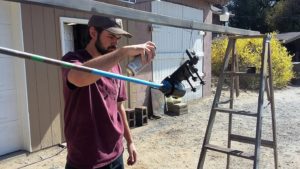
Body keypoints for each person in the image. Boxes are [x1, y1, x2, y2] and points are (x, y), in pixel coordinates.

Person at [61, 15, 156, 169]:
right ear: (93, 33)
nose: (115, 42)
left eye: (118, 38)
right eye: (111, 36)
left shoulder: (115, 66)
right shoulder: (72, 59)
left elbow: (119, 107)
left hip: (115, 153)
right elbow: (79, 77)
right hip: (85, 159)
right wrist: (123, 52)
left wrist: (130, 142)